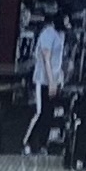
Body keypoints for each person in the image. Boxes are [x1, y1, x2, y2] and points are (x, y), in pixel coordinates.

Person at [23, 9, 68, 155]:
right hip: (42, 80)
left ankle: (43, 143)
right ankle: (27, 142)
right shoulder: (48, 33)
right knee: (40, 112)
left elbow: (57, 61)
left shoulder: (61, 35)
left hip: (54, 79)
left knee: (48, 113)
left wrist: (59, 77)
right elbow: (46, 59)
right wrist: (51, 81)